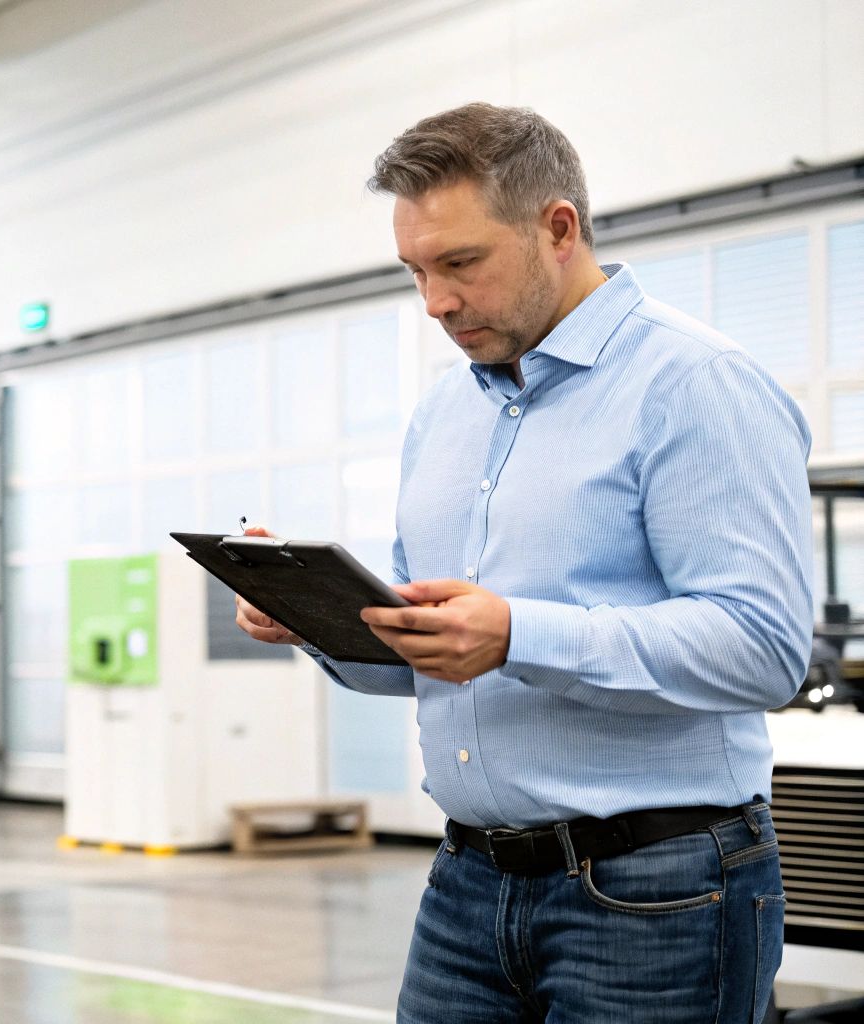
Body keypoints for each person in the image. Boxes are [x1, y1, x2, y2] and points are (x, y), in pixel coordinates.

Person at [235, 102, 811, 1023]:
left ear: (557, 229)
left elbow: (764, 649)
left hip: (656, 893)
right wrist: (321, 620)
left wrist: (514, 634)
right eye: (416, 272)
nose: (436, 302)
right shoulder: (446, 415)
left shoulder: (693, 386)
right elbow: (439, 657)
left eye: (461, 264)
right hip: (469, 883)